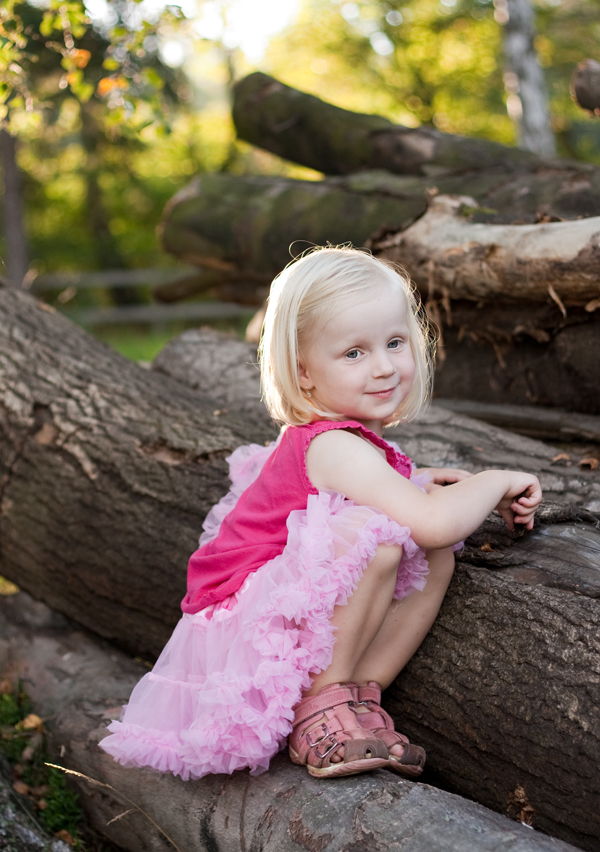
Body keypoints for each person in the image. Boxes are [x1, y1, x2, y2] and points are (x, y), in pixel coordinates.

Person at [99, 247, 541, 780]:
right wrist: (497, 480)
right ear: (304, 373)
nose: (384, 366)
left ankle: (357, 700)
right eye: (354, 353)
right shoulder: (332, 445)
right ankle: (319, 708)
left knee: (434, 556)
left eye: (394, 342)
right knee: (383, 541)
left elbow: (398, 514)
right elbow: (431, 521)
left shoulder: (349, 442)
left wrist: (420, 482)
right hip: (243, 639)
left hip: (275, 618)